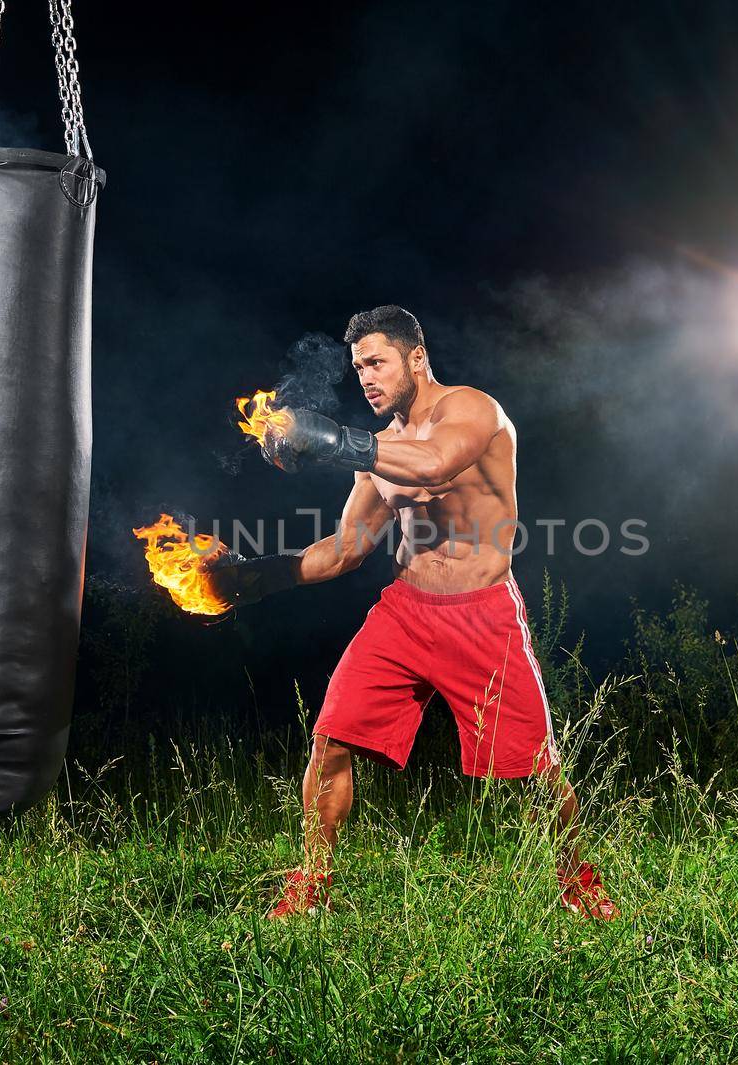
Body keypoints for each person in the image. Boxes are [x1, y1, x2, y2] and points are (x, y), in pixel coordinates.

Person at [205, 305, 617, 920]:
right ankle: (311, 884)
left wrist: (334, 441)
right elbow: (344, 550)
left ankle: (576, 880)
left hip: (483, 614)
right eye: (357, 369)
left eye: (377, 362)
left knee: (533, 769)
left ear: (416, 358)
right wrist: (253, 577)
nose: (365, 378)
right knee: (331, 739)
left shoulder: (472, 411)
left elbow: (435, 465)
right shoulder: (380, 452)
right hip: (404, 613)